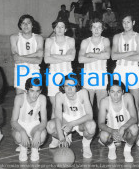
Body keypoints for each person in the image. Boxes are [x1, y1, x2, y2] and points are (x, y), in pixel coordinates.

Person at [111, 14, 139, 147]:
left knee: (136, 104)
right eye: (124, 22)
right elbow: (113, 56)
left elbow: (138, 58)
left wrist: (123, 55)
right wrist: (131, 53)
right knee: (117, 103)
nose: (126, 25)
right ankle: (118, 134)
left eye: (128, 22)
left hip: (133, 71)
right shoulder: (117, 37)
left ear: (133, 22)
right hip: (119, 70)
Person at [46, 75, 96, 158]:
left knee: (92, 126)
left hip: (81, 120)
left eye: (72, 86)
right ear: (63, 87)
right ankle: (66, 137)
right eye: (66, 86)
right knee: (50, 126)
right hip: (66, 119)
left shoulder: (83, 92)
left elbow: (90, 115)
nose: (69, 90)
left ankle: (86, 145)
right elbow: (58, 117)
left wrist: (72, 124)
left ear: (77, 86)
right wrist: (61, 138)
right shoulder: (59, 95)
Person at [44, 20, 76, 148]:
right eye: (57, 27)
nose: (60, 29)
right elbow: (46, 59)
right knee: (54, 106)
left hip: (68, 75)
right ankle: (55, 136)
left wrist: (54, 56)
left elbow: (71, 58)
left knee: (67, 106)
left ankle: (67, 133)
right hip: (53, 76)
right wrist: (64, 57)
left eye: (62, 27)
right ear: (54, 28)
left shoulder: (70, 40)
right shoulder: (49, 41)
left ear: (66, 29)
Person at [98, 80, 139, 162]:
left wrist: (123, 128)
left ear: (123, 92)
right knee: (102, 135)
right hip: (112, 133)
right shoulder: (104, 102)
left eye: (118, 92)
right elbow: (100, 123)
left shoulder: (128, 97)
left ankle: (127, 150)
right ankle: (111, 148)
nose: (116, 95)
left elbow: (134, 118)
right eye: (112, 92)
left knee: (135, 128)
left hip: (125, 131)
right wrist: (112, 131)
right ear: (108, 92)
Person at [11, 78, 47, 162]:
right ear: (26, 91)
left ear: (40, 91)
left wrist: (38, 132)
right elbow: (13, 121)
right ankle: (23, 148)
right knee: (18, 136)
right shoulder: (19, 98)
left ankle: (35, 148)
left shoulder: (42, 98)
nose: (35, 94)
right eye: (32, 91)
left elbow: (44, 121)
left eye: (37, 91)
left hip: (34, 125)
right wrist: (22, 132)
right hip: (21, 124)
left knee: (42, 135)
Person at [78, 19, 110, 110]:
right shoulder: (85, 42)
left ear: (102, 29)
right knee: (88, 108)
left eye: (99, 27)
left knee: (103, 108)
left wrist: (90, 54)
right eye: (94, 27)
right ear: (91, 29)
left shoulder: (105, 40)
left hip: (102, 77)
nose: (96, 30)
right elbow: (80, 59)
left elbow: (107, 55)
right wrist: (100, 56)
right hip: (88, 76)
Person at [10, 14, 44, 95]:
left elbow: (39, 60)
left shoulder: (38, 38)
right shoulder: (14, 37)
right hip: (20, 72)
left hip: (34, 71)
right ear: (20, 25)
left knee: (35, 100)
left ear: (32, 25)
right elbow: (15, 59)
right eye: (23, 23)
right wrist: (35, 55)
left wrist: (20, 57)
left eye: (28, 23)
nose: (26, 25)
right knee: (20, 100)